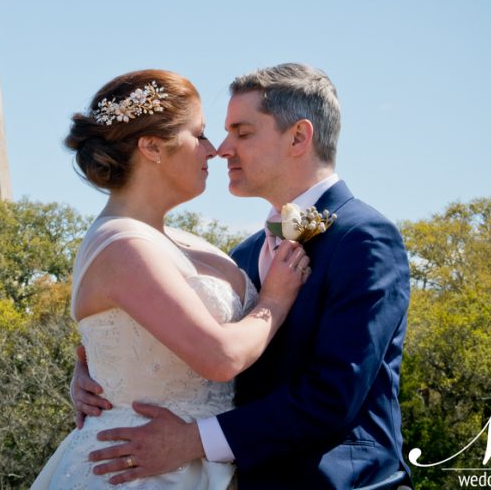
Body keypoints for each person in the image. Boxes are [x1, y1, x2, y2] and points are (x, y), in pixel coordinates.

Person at [76, 63, 412, 490]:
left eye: (243, 132)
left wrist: (192, 441)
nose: (222, 148)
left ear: (298, 137)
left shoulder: (364, 237)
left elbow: (333, 395)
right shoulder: (243, 254)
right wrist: (100, 375)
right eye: (217, 133)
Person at [32, 69, 312, 490]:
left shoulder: (180, 241)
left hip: (208, 464)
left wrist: (94, 365)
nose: (214, 149)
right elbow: (219, 358)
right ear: (152, 147)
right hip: (137, 471)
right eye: (198, 135)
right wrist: (274, 299)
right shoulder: (122, 244)